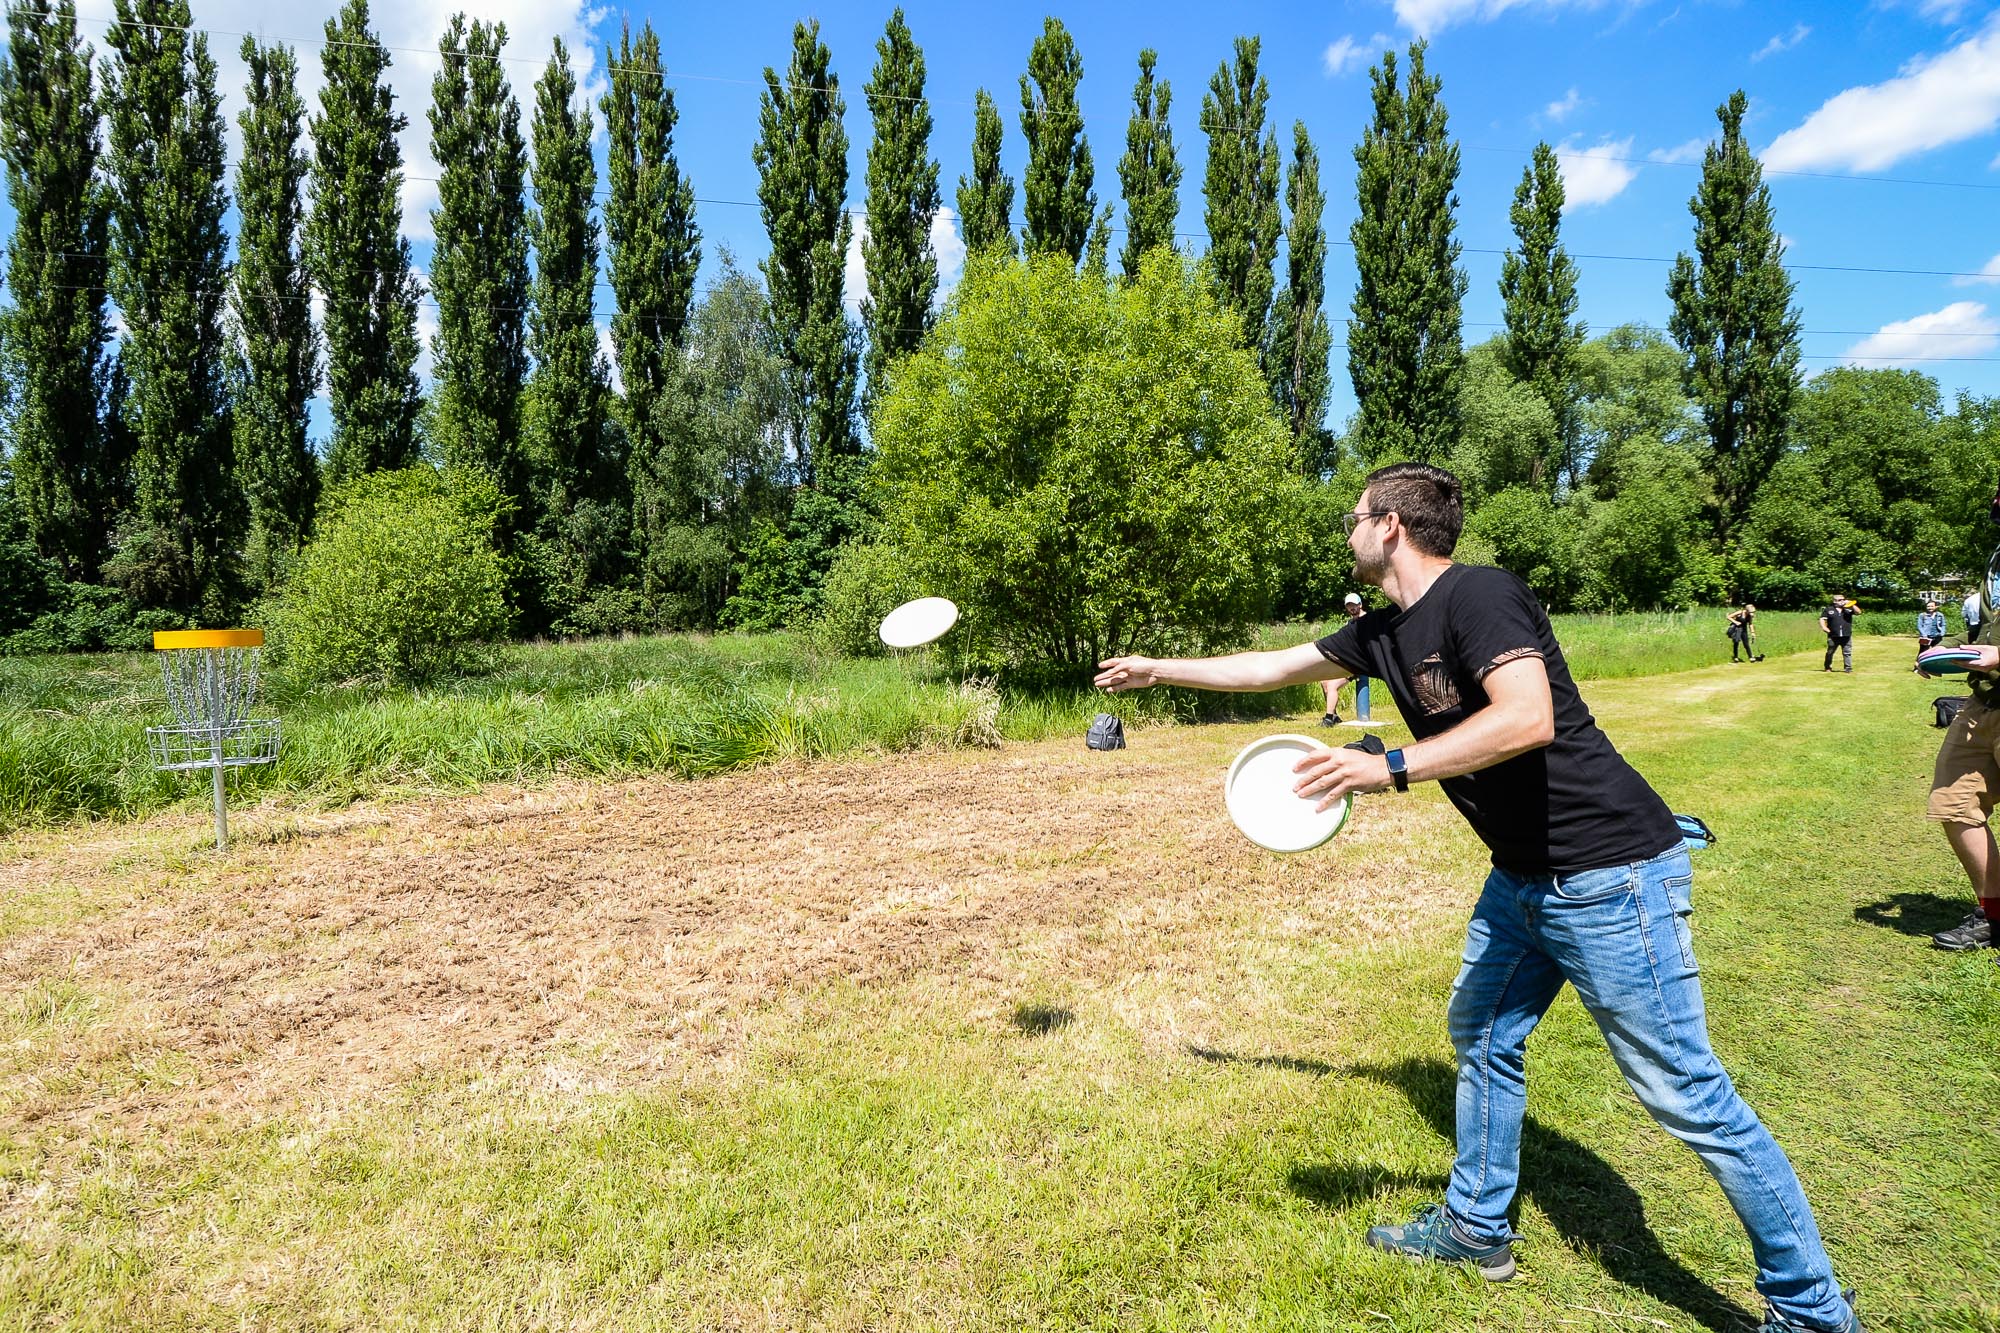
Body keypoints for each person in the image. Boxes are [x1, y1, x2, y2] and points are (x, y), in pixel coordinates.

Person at [1094, 462, 1863, 1333]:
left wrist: (1385, 766)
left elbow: (1526, 716)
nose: (1345, 529)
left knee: (1685, 1092)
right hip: (1521, 879)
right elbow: (1273, 665)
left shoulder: (1481, 596)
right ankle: (1476, 1225)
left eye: (1354, 515)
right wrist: (1161, 670)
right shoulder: (1384, 632)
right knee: (1484, 1032)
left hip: (1608, 873)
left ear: (1389, 526)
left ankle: (1813, 1310)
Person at [1924, 538, 2000, 956]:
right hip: (1983, 703)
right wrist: (1947, 649)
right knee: (1955, 803)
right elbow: (1983, 632)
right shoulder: (1996, 557)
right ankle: (1994, 914)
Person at [1320, 593, 1371, 725]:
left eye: (1354, 605)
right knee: (1324, 682)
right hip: (1348, 662)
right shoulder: (1351, 623)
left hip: (1360, 664)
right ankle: (1335, 715)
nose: (1352, 608)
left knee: (1332, 685)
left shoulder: (1367, 620)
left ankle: (1328, 719)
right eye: (1349, 606)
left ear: (1360, 604)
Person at [1820, 594, 1857, 673]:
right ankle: (1828, 667)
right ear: (1834, 601)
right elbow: (1822, 619)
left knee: (1847, 652)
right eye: (1840, 600)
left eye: (1843, 599)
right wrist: (1824, 627)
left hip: (1846, 635)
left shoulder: (1848, 608)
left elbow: (1858, 612)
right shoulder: (1829, 609)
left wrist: (1852, 604)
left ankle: (1848, 668)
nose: (1842, 601)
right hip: (1833, 635)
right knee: (1830, 652)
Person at [1916, 600, 1947, 667]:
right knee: (1923, 652)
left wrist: (1942, 633)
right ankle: (1918, 667)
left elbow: (1943, 624)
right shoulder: (1922, 615)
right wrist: (1924, 635)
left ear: (1935, 607)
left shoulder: (1940, 615)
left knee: (1937, 652)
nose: (1930, 608)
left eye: (1932, 606)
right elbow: (1919, 626)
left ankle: (1937, 667)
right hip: (1926, 637)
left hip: (1937, 636)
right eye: (1928, 606)